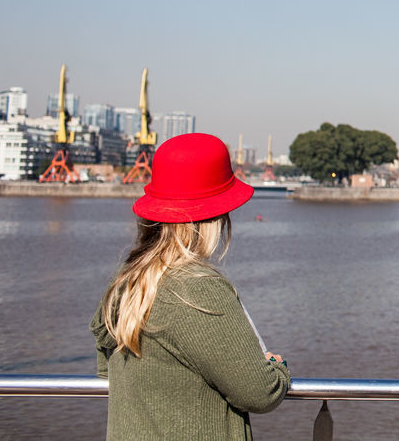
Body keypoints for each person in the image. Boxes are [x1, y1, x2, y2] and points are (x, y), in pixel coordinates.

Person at [90, 133, 290, 440]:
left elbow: (107, 371)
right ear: (216, 217)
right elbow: (259, 393)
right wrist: (278, 369)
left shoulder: (127, 282)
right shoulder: (198, 288)